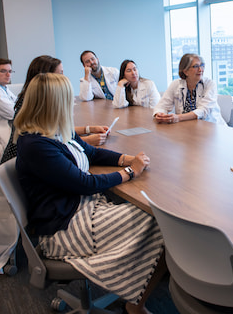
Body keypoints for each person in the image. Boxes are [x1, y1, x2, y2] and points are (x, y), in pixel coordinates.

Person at [14, 73, 165, 314]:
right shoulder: (36, 145)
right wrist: (129, 172)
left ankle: (135, 289)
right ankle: (135, 304)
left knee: (151, 216)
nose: (72, 103)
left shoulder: (55, 130)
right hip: (64, 227)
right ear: (52, 103)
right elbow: (84, 183)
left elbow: (92, 153)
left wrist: (126, 158)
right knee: (159, 223)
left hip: (81, 208)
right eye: (67, 99)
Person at [1, 55, 109, 163]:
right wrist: (86, 141)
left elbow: (54, 129)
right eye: (60, 73)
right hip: (24, 161)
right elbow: (46, 141)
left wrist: (89, 129)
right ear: (47, 77)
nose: (63, 77)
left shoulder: (36, 97)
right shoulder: (33, 103)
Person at [153, 53, 226, 125]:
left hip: (209, 126)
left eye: (202, 65)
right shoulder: (176, 84)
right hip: (186, 126)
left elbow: (203, 110)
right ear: (185, 71)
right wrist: (159, 114)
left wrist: (178, 117)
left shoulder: (209, 84)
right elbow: (162, 105)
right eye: (196, 66)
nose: (200, 70)